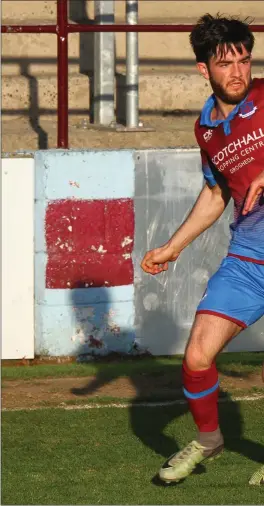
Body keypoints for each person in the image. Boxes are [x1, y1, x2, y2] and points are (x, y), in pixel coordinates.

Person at [141, 13, 264, 484]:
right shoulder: (206, 129)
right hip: (248, 259)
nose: (239, 72)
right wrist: (173, 246)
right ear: (203, 69)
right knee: (196, 355)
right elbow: (216, 194)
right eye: (226, 64)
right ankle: (210, 441)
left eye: (245, 60)